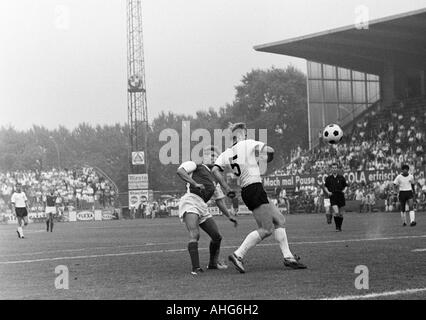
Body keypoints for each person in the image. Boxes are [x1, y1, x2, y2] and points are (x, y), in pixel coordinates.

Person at [212, 122, 306, 273]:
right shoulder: (248, 143)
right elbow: (270, 150)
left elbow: (215, 170)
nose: (247, 134)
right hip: (254, 188)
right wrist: (266, 158)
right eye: (245, 132)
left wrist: (226, 187)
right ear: (242, 134)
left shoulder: (226, 153)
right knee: (266, 229)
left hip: (249, 189)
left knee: (279, 219)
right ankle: (238, 255)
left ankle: (288, 257)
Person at [177, 145, 238, 275]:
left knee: (217, 237)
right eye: (210, 155)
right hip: (190, 201)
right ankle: (196, 268)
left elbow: (219, 200)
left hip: (202, 206)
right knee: (195, 234)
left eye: (215, 156)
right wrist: (194, 183)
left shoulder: (215, 178)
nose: (213, 157)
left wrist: (229, 216)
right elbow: (180, 171)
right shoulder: (195, 165)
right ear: (203, 157)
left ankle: (212, 264)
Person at [324, 163, 348, 232]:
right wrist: (328, 192)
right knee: (336, 212)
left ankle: (339, 227)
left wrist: (344, 191)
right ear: (331, 169)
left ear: (337, 169)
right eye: (333, 168)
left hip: (340, 196)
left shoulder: (341, 177)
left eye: (335, 168)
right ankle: (337, 227)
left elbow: (346, 186)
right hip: (333, 196)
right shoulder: (329, 178)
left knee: (341, 214)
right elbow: (325, 186)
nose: (334, 169)